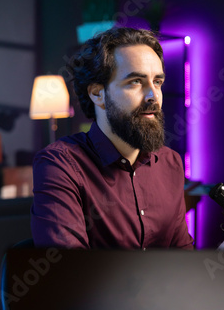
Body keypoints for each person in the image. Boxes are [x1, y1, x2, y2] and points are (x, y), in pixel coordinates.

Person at [31, 27, 194, 250]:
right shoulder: (60, 165)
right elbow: (68, 273)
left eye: (157, 82)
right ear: (98, 94)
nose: (153, 96)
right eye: (136, 81)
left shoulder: (170, 163)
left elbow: (182, 260)